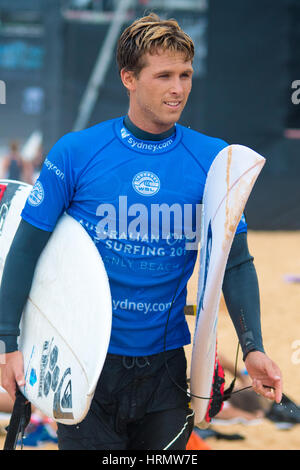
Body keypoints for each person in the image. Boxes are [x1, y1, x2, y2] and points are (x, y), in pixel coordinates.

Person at [0, 13, 282, 450]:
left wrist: (254, 347)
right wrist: (7, 342)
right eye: (164, 75)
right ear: (128, 78)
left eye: (185, 75)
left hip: (166, 372)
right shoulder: (77, 152)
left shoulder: (213, 161)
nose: (178, 88)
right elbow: (25, 249)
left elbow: (236, 261)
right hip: (86, 363)